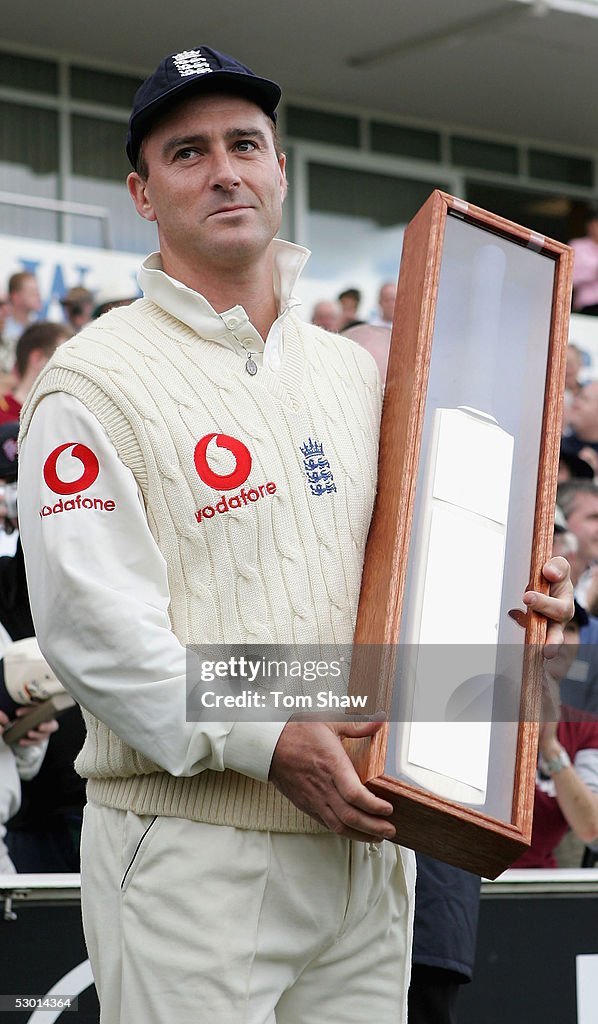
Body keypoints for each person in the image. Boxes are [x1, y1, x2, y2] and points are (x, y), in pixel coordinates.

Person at [17, 44, 573, 1024]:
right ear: (142, 195)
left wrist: (519, 607)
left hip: (368, 839)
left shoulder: (355, 374)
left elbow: (409, 589)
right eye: (187, 153)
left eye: (245, 143)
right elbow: (100, 639)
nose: (225, 169)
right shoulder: (93, 380)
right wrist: (269, 739)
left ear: (280, 168)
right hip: (193, 847)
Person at [512, 600, 598, 868]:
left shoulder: (584, 728)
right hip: (462, 881)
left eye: (570, 628)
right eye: (548, 625)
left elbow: (592, 830)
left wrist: (550, 747)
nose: (560, 638)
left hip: (533, 886)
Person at [0, 321, 72, 426]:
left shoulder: (64, 419)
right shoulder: (3, 414)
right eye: (65, 358)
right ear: (37, 359)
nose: (71, 369)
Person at [3, 271, 42, 349]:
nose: (38, 295)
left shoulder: (38, 329)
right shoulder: (3, 328)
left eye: (37, 291)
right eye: (32, 291)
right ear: (16, 296)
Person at [570, 211, 598, 315]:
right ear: (590, 226)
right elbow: (570, 278)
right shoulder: (578, 246)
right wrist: (594, 272)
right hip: (587, 306)